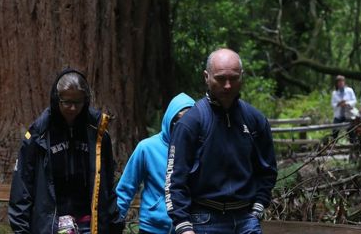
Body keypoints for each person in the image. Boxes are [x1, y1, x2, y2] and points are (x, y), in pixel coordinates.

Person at [165, 48, 278, 234]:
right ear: (206, 77)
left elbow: (268, 170)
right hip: (203, 219)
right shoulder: (191, 123)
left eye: (233, 78)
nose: (227, 85)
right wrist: (183, 226)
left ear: (242, 76)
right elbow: (174, 179)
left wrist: (258, 207)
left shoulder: (255, 119)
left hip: (246, 219)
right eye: (220, 78)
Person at [8, 68, 123, 234]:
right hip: (50, 225)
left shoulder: (97, 133)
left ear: (86, 100)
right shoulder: (38, 134)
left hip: (90, 225)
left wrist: (115, 224)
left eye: (78, 102)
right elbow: (22, 187)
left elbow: (107, 184)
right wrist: (21, 229)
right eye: (66, 102)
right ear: (56, 99)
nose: (72, 108)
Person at [116, 93, 195, 234]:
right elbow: (126, 189)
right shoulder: (147, 148)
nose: (183, 128)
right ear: (170, 120)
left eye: (189, 124)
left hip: (188, 227)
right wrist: (114, 223)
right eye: (179, 122)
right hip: (152, 226)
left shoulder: (198, 149)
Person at [330, 75, 358, 142]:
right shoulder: (335, 93)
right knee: (335, 130)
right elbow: (333, 104)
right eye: (339, 82)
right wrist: (339, 104)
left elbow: (354, 101)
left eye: (342, 82)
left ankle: (353, 145)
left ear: (344, 82)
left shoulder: (349, 90)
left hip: (348, 115)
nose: (341, 83)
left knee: (351, 131)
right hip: (338, 115)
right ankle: (333, 145)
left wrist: (347, 103)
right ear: (337, 84)